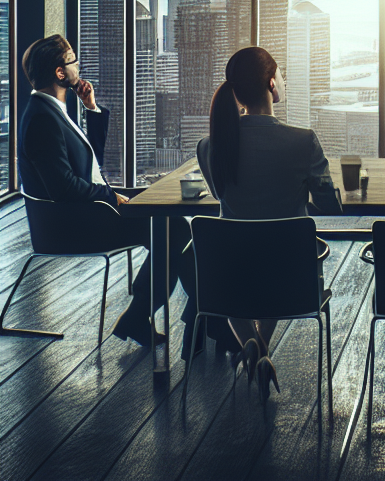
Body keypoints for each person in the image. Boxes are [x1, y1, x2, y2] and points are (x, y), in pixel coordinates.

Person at [16, 34, 194, 349]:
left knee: (173, 225)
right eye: (72, 59)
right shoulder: (42, 119)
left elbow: (87, 165)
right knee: (173, 228)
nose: (77, 64)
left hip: (83, 212)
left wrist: (91, 108)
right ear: (60, 73)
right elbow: (63, 187)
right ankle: (175, 315)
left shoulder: (51, 109)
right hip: (70, 225)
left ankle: (167, 315)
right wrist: (111, 197)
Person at [196, 46, 343, 401]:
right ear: (272, 83)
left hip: (228, 283)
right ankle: (260, 348)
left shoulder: (209, 146)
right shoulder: (303, 141)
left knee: (249, 252)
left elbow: (223, 198)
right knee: (278, 247)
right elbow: (329, 205)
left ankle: (253, 345)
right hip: (290, 282)